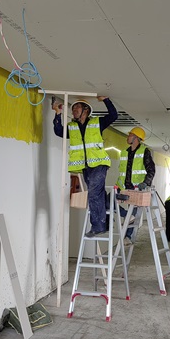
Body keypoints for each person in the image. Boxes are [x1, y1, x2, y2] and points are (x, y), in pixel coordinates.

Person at [53, 96, 118, 237]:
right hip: (86, 166)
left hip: (99, 164)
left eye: (77, 107)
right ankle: (106, 221)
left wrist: (106, 100)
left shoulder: (97, 122)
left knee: (93, 193)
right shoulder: (72, 127)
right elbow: (58, 131)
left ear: (86, 110)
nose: (74, 110)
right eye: (73, 108)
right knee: (98, 193)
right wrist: (57, 113)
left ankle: (97, 226)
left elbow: (114, 115)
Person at [115, 127, 155, 242]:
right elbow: (122, 172)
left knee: (133, 212)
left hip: (136, 189)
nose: (128, 137)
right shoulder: (124, 152)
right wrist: (117, 185)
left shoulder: (144, 151)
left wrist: (145, 183)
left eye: (130, 135)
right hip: (123, 188)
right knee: (108, 201)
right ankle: (126, 215)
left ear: (136, 138)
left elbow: (151, 170)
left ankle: (127, 237)